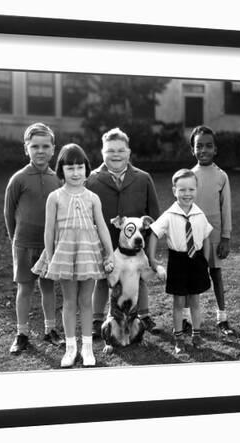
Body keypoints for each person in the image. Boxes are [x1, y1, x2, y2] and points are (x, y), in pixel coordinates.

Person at [32, 144, 114, 368]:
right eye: (70, 168)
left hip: (88, 253)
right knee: (69, 302)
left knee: (86, 302)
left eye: (80, 167)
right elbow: (48, 231)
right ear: (62, 171)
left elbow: (103, 227)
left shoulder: (93, 198)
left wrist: (109, 252)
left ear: (87, 169)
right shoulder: (55, 197)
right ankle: (71, 349)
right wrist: (51, 258)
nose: (76, 173)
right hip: (65, 255)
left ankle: (87, 349)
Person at [86, 128, 160, 337]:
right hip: (104, 242)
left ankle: (143, 316)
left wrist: (147, 242)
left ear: (128, 152)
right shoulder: (91, 180)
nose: (115, 154)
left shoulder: (143, 178)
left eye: (120, 150)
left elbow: (154, 215)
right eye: (110, 151)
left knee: (139, 278)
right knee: (101, 279)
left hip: (134, 245)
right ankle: (97, 319)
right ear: (102, 153)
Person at [3, 122, 64, 354]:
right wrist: (15, 239)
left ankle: (50, 330)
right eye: (35, 146)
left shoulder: (57, 178)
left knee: (48, 287)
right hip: (24, 244)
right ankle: (22, 333)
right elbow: (9, 212)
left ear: (53, 149)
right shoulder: (18, 179)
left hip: (48, 245)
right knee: (25, 288)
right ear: (26, 148)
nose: (40, 150)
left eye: (45, 146)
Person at [147, 169, 213, 353]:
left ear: (196, 190)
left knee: (195, 300)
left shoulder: (200, 214)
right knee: (178, 302)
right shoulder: (169, 215)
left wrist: (205, 260)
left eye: (191, 189)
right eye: (182, 189)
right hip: (178, 261)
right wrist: (152, 260)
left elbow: (206, 236)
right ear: (174, 190)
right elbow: (153, 233)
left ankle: (196, 335)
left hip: (197, 260)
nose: (187, 193)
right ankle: (178, 338)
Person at [184, 125, 235, 336]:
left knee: (216, 274)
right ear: (192, 150)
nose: (203, 150)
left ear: (215, 149)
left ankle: (222, 318)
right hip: (192, 235)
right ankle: (186, 318)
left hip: (214, 235)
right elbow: (183, 207)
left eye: (208, 146)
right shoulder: (188, 176)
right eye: (199, 146)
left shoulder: (221, 176)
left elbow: (226, 209)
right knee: (190, 277)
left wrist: (225, 238)